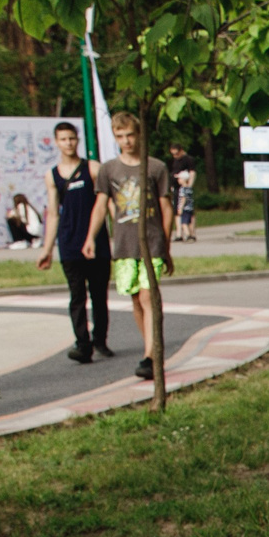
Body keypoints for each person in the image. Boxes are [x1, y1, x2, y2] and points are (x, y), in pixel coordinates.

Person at [86, 110, 174, 382]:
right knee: (136, 298)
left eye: (130, 135)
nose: (126, 141)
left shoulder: (155, 167)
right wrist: (91, 237)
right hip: (124, 245)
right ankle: (151, 346)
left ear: (139, 135)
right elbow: (101, 204)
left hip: (152, 242)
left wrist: (166, 244)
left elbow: (165, 207)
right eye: (120, 136)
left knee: (149, 298)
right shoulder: (108, 169)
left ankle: (150, 355)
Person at [39, 121, 111, 363]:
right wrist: (47, 249)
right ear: (56, 142)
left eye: (72, 138)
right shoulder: (52, 175)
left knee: (99, 295)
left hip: (96, 243)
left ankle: (100, 339)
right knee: (77, 295)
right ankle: (83, 344)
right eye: (63, 139)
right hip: (69, 243)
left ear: (77, 140)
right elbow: (53, 213)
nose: (68, 143)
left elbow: (106, 202)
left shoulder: (92, 168)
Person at [169, 144, 198, 242]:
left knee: (187, 211)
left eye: (176, 154)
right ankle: (178, 233)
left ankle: (191, 233)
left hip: (184, 188)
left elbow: (192, 173)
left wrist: (188, 186)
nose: (175, 156)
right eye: (173, 154)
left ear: (181, 151)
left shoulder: (188, 159)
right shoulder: (175, 160)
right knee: (177, 211)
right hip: (177, 188)